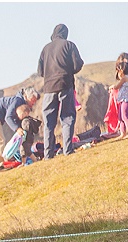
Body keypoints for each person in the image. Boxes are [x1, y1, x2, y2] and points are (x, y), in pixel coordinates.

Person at [36, 23, 84, 158]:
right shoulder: (69, 45)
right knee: (67, 118)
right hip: (65, 85)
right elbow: (78, 64)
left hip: (49, 89)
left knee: (49, 122)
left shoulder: (45, 49)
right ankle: (68, 150)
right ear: (65, 33)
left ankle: (48, 155)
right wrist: (67, 71)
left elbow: (40, 71)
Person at [0, 89, 39, 171]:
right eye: (32, 100)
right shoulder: (18, 101)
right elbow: (8, 117)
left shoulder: (19, 101)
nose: (33, 103)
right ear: (27, 97)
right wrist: (17, 129)